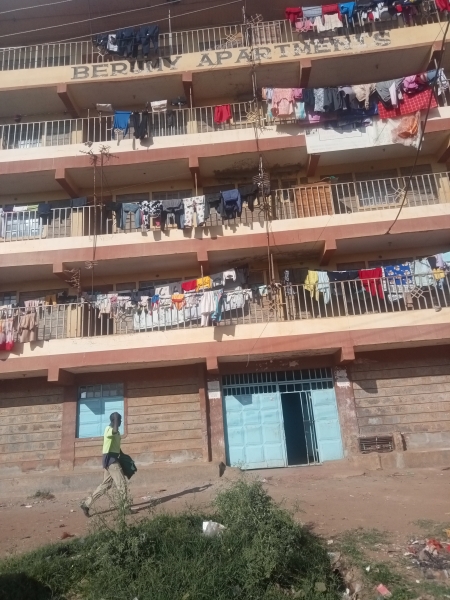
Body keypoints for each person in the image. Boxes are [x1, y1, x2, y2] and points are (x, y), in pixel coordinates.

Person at [80, 412, 128, 517]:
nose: (120, 422)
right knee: (121, 484)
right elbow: (114, 431)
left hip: (112, 459)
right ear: (115, 420)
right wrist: (116, 418)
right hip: (111, 461)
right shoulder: (109, 429)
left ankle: (86, 504)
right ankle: (124, 508)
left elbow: (116, 446)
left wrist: (123, 456)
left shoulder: (116, 432)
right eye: (119, 420)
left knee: (106, 485)